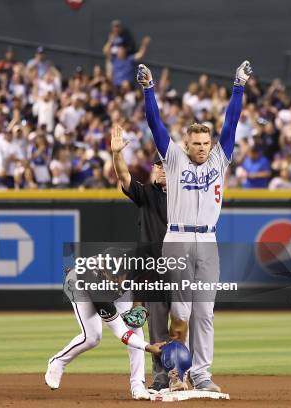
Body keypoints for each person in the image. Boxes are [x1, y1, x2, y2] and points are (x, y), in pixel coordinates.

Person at [138, 60, 252, 392]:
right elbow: (155, 123)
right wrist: (148, 90)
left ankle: (201, 374)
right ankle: (176, 373)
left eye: (206, 143)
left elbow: (231, 123)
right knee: (181, 311)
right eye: (197, 143)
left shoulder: (219, 158)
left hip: (208, 242)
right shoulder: (172, 159)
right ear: (187, 145)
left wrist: (238, 86)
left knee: (205, 312)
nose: (202, 148)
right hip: (177, 238)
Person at [44, 268, 166, 400]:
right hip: (80, 285)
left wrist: (137, 304)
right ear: (104, 273)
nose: (117, 281)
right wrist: (148, 347)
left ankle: (138, 385)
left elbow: (144, 277)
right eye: (113, 277)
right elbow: (121, 332)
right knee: (92, 337)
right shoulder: (96, 286)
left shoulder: (135, 264)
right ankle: (57, 362)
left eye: (120, 277)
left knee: (134, 325)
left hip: (112, 280)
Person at [111, 124, 169, 393]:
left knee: (184, 322)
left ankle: (184, 372)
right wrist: (116, 155)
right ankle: (160, 377)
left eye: (165, 166)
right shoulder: (147, 194)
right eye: (157, 166)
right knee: (156, 326)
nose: (159, 169)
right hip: (152, 271)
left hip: (180, 267)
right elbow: (124, 177)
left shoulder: (185, 198)